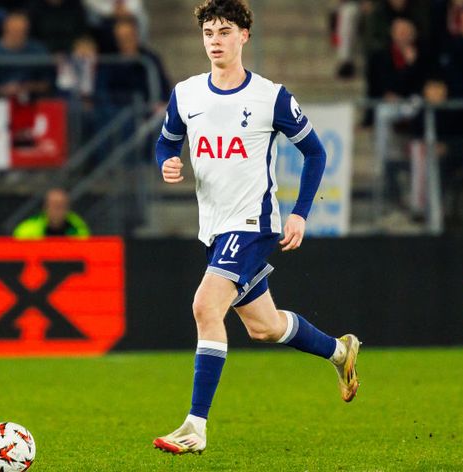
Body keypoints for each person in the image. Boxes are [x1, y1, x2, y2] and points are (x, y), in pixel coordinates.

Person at [151, 0, 360, 455]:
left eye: (225, 32)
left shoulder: (270, 96)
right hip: (214, 227)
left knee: (206, 306)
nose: (215, 41)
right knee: (263, 327)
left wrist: (301, 213)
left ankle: (194, 426)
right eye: (209, 33)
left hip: (252, 223)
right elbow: (165, 141)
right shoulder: (186, 94)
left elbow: (316, 153)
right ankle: (340, 352)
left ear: (244, 35)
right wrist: (166, 161)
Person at [13, 188, 90, 239]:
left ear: (68, 208)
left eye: (61, 206)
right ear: (45, 207)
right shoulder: (28, 228)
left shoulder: (77, 227)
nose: (57, 210)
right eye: (54, 205)